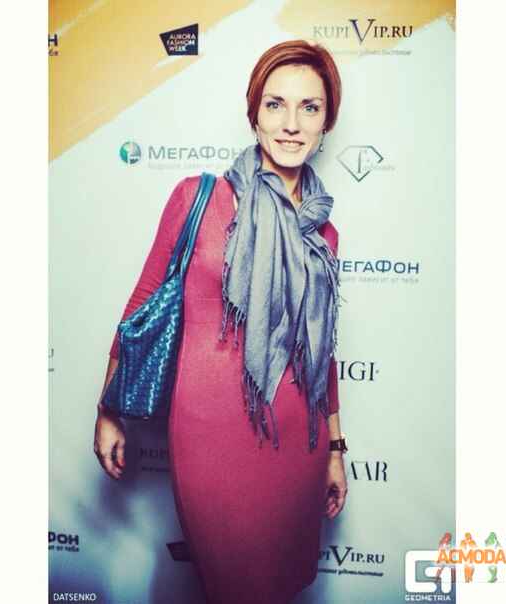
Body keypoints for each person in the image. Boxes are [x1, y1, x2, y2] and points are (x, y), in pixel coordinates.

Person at [94, 39, 348, 604]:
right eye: (275, 105)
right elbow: (141, 304)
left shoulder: (324, 232)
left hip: (298, 442)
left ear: (326, 121)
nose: (291, 124)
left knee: (278, 586)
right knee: (231, 584)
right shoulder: (198, 198)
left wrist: (334, 448)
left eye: (309, 107)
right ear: (254, 113)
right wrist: (108, 408)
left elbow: (321, 352)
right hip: (209, 436)